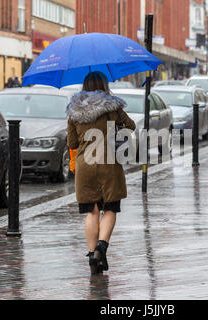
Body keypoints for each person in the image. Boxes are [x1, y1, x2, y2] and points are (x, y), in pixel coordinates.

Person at [66, 71, 136, 275]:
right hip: (108, 162)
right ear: (104, 85)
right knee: (110, 208)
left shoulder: (73, 111)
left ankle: (92, 257)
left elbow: (72, 143)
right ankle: (101, 247)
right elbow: (130, 126)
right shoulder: (113, 107)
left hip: (85, 165)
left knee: (91, 211)